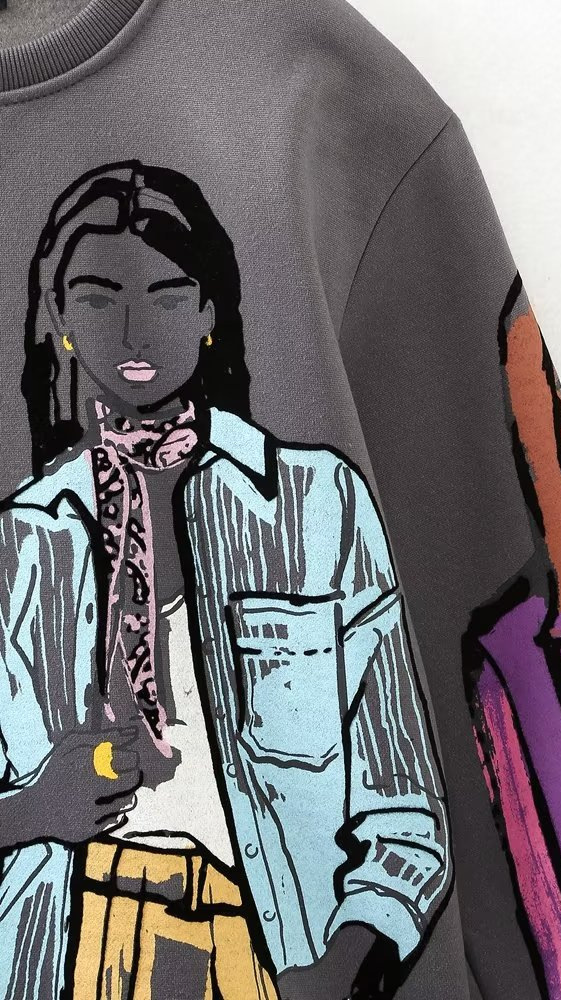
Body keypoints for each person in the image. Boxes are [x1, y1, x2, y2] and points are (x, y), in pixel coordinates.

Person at [0, 160, 452, 1000]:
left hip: (268, 948)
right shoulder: (18, 541)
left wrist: (341, 969)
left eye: (167, 297)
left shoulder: (317, 503)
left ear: (210, 310)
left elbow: (406, 805)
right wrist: (31, 809)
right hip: (67, 949)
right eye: (98, 299)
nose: (134, 332)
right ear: (58, 317)